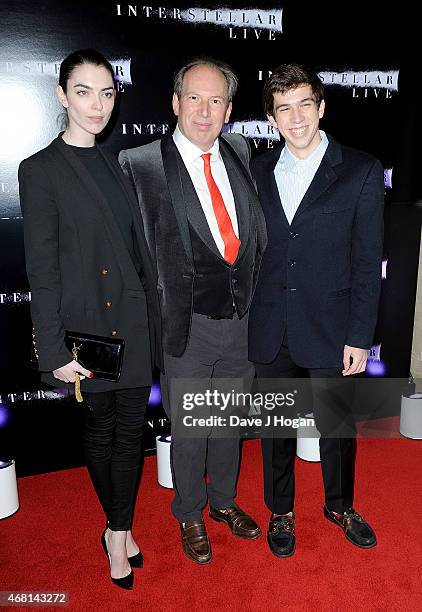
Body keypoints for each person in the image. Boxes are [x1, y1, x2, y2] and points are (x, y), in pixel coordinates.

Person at [18, 49, 162, 589]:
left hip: (134, 318)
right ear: (61, 95)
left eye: (107, 92)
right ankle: (117, 533)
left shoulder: (119, 162)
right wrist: (53, 352)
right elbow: (43, 270)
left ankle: (117, 529)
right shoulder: (39, 171)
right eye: (84, 91)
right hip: (88, 329)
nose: (97, 104)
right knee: (105, 430)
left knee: (132, 433)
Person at [119, 57, 267, 564]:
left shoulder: (241, 150)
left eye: (217, 101)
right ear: (175, 102)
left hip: (241, 319)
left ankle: (224, 502)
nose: (205, 112)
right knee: (190, 427)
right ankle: (189, 512)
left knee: (228, 420)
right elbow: (131, 254)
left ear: (229, 110)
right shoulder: (140, 163)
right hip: (185, 323)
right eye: (195, 99)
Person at [249, 63, 384, 557]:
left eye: (305, 103)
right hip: (271, 325)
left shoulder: (361, 170)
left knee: (336, 427)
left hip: (332, 327)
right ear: (271, 117)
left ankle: (340, 504)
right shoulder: (257, 169)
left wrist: (359, 335)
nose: (296, 116)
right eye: (284, 107)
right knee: (275, 428)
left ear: (321, 107)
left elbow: (368, 262)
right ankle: (280, 511)